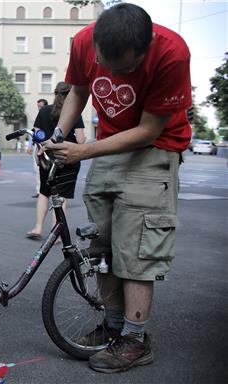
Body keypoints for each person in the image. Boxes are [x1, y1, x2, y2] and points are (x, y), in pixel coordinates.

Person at [45, 3, 191, 373]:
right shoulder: (82, 41)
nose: (111, 73)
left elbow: (149, 129)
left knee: (136, 250)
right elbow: (79, 90)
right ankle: (113, 328)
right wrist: (59, 134)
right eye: (105, 64)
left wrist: (83, 150)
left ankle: (135, 339)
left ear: (145, 48)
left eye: (123, 68)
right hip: (109, 145)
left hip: (153, 149)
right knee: (103, 247)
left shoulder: (171, 53)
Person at [26, 82, 85, 240]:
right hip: (68, 159)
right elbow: (80, 140)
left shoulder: (44, 111)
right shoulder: (73, 112)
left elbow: (36, 133)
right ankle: (56, 233)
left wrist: (43, 145)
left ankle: (38, 228)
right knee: (62, 196)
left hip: (47, 158)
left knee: (44, 193)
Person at [27, 98, 49, 197]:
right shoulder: (39, 117)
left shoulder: (50, 116)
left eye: (41, 107)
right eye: (38, 107)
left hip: (48, 146)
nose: (39, 109)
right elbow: (34, 132)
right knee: (37, 169)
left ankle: (48, 190)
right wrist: (30, 145)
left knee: (50, 169)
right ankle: (39, 191)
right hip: (38, 146)